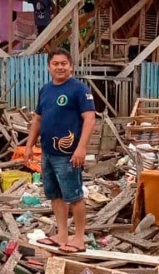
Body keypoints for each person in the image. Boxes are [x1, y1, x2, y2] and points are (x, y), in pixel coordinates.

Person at [24, 48, 96, 253]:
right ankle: (62, 233)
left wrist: (81, 148)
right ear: (49, 67)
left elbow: (90, 119)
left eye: (64, 63)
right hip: (48, 153)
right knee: (55, 195)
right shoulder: (45, 90)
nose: (60, 67)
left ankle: (79, 238)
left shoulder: (79, 89)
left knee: (74, 196)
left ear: (71, 66)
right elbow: (38, 119)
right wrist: (29, 146)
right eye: (55, 63)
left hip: (69, 154)